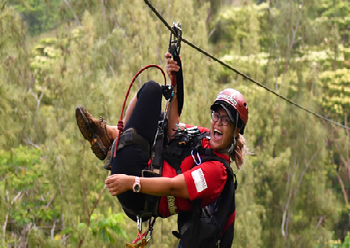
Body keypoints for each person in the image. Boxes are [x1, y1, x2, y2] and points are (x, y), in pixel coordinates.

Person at [76, 53, 249, 220]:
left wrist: (131, 182)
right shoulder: (204, 137)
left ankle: (112, 137)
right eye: (216, 116)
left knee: (151, 91)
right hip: (142, 172)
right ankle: (113, 135)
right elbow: (174, 129)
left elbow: (174, 187)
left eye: (226, 120)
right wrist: (176, 78)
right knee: (159, 117)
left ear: (236, 131)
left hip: (139, 193)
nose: (218, 122)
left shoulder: (217, 173)